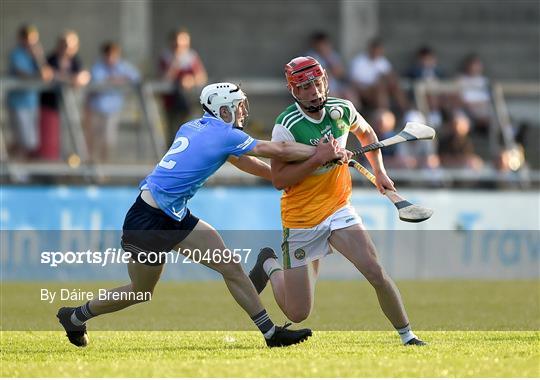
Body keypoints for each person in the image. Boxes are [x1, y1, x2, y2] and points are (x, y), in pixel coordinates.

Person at [57, 82, 347, 348]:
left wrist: (295, 175)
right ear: (223, 110)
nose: (243, 112)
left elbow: (248, 163)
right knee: (140, 292)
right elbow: (278, 149)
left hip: (173, 215)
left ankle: (271, 334)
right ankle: (75, 316)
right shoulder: (223, 133)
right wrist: (319, 152)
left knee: (230, 266)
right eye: (238, 106)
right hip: (148, 220)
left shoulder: (194, 126)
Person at [248, 57, 426, 346]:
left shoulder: (342, 109)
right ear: (293, 90)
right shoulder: (286, 125)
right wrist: (318, 158)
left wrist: (380, 172)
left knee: (375, 271)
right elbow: (279, 179)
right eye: (304, 87)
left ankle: (408, 336)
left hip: (338, 207)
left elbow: (366, 133)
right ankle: (269, 263)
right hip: (301, 218)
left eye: (317, 83)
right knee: (298, 312)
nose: (313, 91)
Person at [39, 30, 90, 160]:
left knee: (72, 136)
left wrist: (64, 77)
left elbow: (82, 77)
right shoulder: (51, 59)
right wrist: (69, 79)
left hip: (71, 107)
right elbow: (48, 75)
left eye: (70, 45)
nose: (66, 48)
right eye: (64, 44)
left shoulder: (76, 61)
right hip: (51, 107)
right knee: (51, 139)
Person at [86, 42, 140, 162]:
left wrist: (115, 80)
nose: (111, 58)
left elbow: (136, 77)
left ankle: (104, 166)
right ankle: (93, 165)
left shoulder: (123, 66)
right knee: (94, 140)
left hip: (112, 110)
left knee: (108, 140)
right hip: (96, 109)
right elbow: (98, 81)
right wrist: (119, 80)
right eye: (108, 55)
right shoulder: (98, 67)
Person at [7, 24, 53, 160]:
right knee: (24, 140)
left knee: (31, 141)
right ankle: (15, 166)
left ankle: (18, 164)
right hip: (18, 102)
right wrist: (37, 74)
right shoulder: (16, 54)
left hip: (32, 101)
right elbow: (22, 74)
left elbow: (46, 74)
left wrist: (38, 58)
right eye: (28, 39)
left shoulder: (36, 56)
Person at [159, 28, 208, 144]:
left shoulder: (191, 57)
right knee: (172, 133)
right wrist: (175, 62)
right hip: (171, 102)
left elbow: (201, 77)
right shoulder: (166, 57)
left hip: (188, 101)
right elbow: (165, 79)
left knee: (189, 133)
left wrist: (191, 80)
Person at [349, 38, 408, 113]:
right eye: (375, 50)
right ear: (370, 49)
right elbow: (354, 82)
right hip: (363, 90)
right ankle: (384, 113)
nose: (377, 52)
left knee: (395, 87)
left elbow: (390, 75)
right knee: (380, 88)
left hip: (381, 88)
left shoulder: (382, 61)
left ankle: (406, 111)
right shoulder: (359, 61)